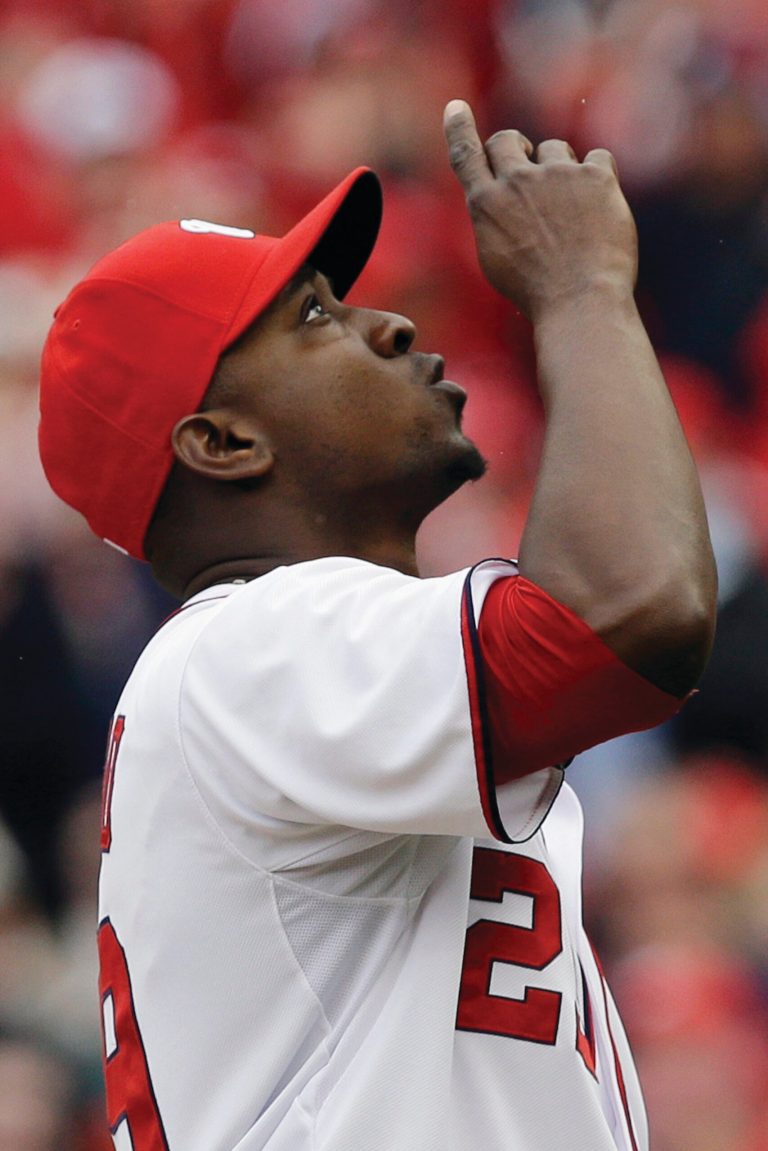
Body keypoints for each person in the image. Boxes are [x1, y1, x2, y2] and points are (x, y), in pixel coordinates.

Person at [37, 100, 716, 1151]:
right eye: (314, 318)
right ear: (221, 441)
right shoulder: (249, 648)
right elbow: (629, 617)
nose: (388, 324)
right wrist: (581, 291)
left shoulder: (285, 667)